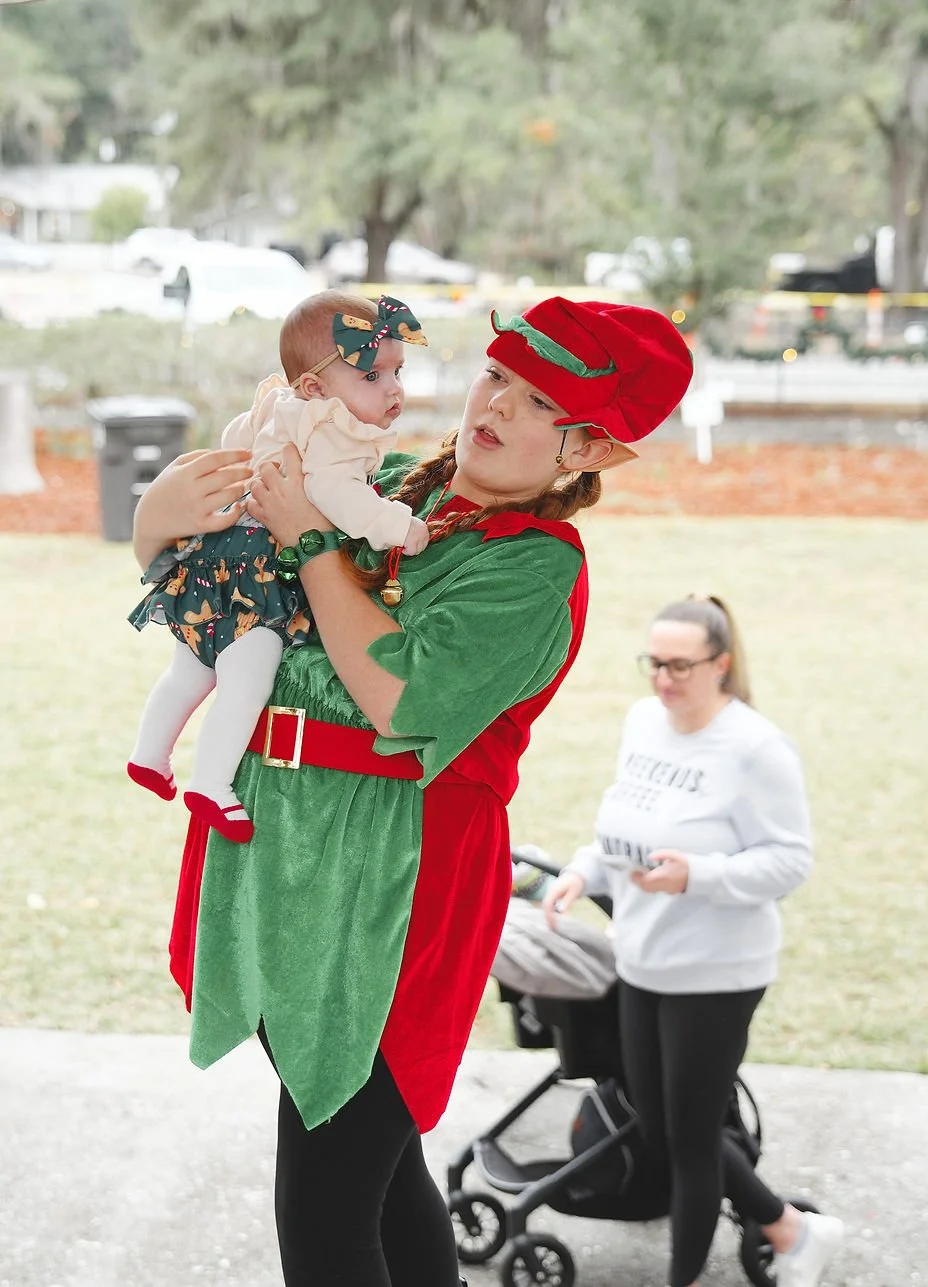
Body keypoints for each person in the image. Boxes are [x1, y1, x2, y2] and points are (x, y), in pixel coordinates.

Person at [130, 295, 693, 1287]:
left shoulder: (532, 565)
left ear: (592, 451)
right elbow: (222, 602)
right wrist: (157, 527)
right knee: (377, 1185)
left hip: (392, 889)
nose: (499, 406)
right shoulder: (383, 481)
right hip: (282, 855)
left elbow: (396, 697)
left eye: (538, 402)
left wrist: (308, 540)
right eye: (498, 378)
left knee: (323, 1214)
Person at [543, 596, 844, 1287]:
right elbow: (626, 821)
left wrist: (697, 875)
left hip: (717, 972)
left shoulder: (756, 748)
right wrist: (584, 868)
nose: (663, 680)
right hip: (644, 955)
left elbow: (790, 860)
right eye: (654, 663)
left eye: (680, 665)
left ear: (722, 664)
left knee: (691, 1144)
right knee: (661, 1125)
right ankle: (792, 1230)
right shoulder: (644, 721)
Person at [126, 291, 431, 841]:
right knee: (249, 677)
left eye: (397, 372)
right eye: (372, 375)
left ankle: (149, 754)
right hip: (259, 575)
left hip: (213, 565)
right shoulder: (330, 432)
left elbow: (236, 443)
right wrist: (397, 526)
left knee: (192, 667)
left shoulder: (284, 409)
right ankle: (210, 785)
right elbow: (339, 497)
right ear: (315, 387)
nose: (393, 389)